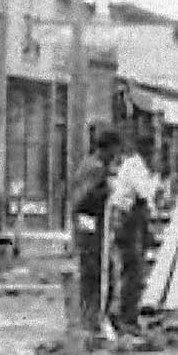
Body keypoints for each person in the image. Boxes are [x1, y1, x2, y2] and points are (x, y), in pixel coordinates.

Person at [105, 132, 160, 335]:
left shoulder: (136, 166)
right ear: (145, 151)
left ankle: (126, 313)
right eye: (152, 152)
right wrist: (155, 181)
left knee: (133, 270)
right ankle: (126, 316)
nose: (154, 156)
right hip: (128, 222)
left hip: (133, 222)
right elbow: (146, 193)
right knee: (133, 271)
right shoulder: (135, 167)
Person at [68, 129, 120, 333]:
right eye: (114, 151)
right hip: (91, 228)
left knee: (91, 272)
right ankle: (93, 319)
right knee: (97, 272)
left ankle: (89, 317)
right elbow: (84, 198)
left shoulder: (87, 165)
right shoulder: (96, 169)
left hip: (85, 226)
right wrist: (106, 191)